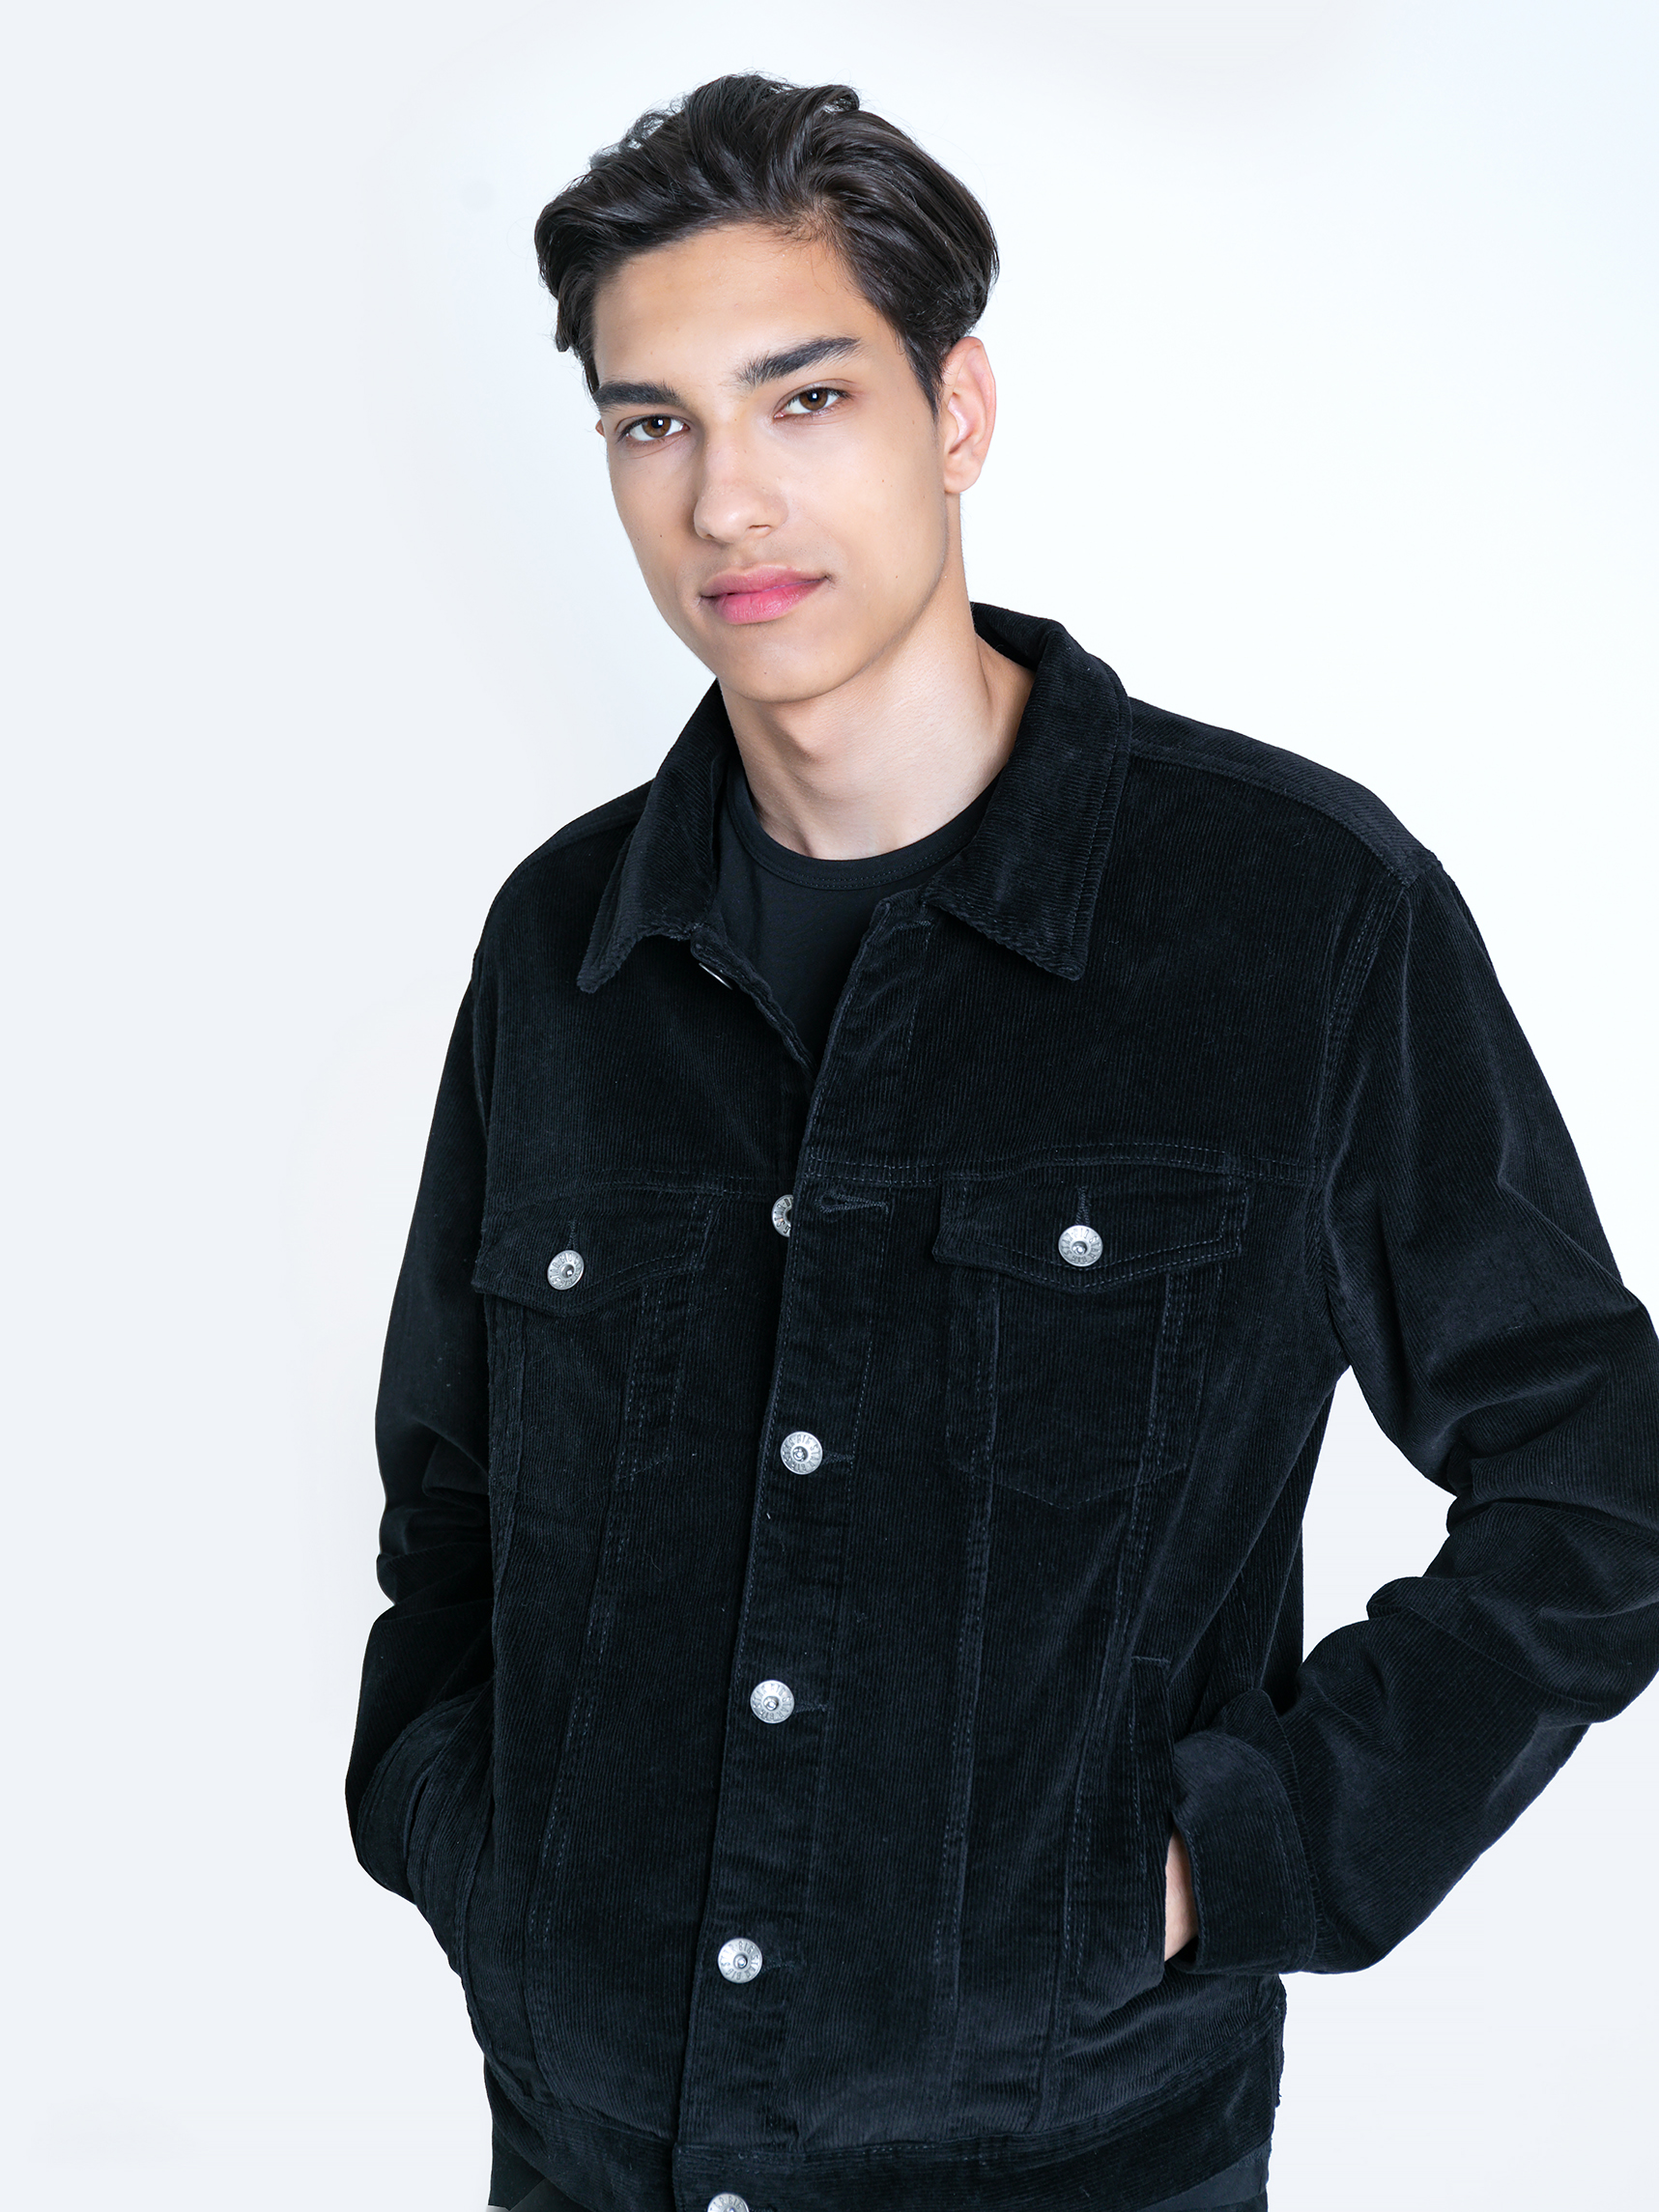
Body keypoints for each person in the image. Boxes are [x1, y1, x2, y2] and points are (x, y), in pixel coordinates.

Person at [345, 73, 1659, 2212]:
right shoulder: (562, 945)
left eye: (805, 398)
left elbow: (1599, 1472)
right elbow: (456, 1491)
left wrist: (1240, 1860)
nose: (726, 501)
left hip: (1069, 2158)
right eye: (651, 422)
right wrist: (469, 1839)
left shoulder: (1293, 917)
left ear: (955, 410)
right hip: (587, 2147)